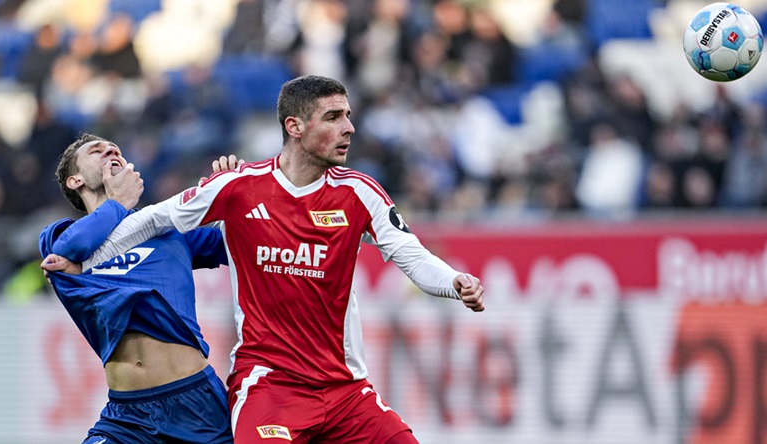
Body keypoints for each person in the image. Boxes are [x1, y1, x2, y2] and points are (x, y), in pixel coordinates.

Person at [52, 76, 485, 444]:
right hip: (255, 387)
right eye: (334, 117)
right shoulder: (233, 189)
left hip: (336, 389)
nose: (349, 128)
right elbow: (124, 229)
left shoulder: (360, 192)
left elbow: (411, 256)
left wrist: (454, 281)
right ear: (294, 126)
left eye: (348, 116)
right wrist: (93, 254)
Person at [38, 133, 239, 444]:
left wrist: (237, 196)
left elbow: (243, 244)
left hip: (196, 407)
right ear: (74, 180)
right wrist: (118, 201)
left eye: (114, 149)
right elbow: (73, 246)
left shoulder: (169, 232)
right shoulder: (61, 238)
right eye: (96, 151)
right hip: (126, 417)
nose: (110, 151)